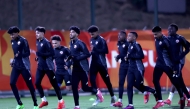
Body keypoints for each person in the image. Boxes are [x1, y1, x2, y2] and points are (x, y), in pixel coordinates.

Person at [151, 26, 189, 109]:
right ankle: (160, 101)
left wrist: (176, 64)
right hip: (159, 64)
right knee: (155, 80)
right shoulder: (156, 39)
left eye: (156, 34)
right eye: (153, 34)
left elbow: (172, 54)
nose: (154, 36)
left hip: (168, 65)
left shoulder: (166, 41)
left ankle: (182, 97)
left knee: (176, 82)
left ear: (160, 32)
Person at [68, 26, 103, 109]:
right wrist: (68, 62)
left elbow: (87, 54)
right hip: (75, 69)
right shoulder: (71, 43)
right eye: (70, 32)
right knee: (74, 87)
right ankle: (77, 106)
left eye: (72, 32)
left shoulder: (80, 43)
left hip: (83, 68)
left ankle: (97, 91)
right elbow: (72, 56)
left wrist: (77, 58)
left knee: (85, 88)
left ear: (77, 34)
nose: (70, 33)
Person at [123, 32, 157, 109]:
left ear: (134, 37)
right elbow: (130, 56)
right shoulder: (130, 45)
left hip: (138, 68)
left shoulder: (136, 45)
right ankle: (130, 105)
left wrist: (130, 56)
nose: (127, 37)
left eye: (130, 36)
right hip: (130, 68)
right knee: (129, 85)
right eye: (127, 36)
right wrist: (126, 58)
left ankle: (153, 91)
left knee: (139, 85)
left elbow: (141, 55)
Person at [8, 26, 38, 109]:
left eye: (13, 34)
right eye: (10, 35)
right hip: (16, 66)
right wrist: (13, 61)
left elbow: (28, 53)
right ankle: (20, 103)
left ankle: (35, 104)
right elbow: (15, 55)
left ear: (17, 33)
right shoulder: (12, 41)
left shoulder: (23, 40)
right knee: (12, 83)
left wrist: (20, 55)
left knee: (29, 85)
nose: (12, 36)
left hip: (24, 66)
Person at [34, 26, 64, 109]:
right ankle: (44, 100)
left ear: (43, 33)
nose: (36, 34)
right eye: (36, 33)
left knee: (54, 84)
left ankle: (61, 101)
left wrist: (41, 55)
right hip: (40, 66)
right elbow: (40, 53)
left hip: (48, 67)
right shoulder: (37, 41)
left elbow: (52, 53)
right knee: (37, 83)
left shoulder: (46, 42)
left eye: (38, 33)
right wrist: (38, 58)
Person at [88, 25, 117, 106]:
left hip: (101, 63)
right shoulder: (91, 40)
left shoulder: (101, 40)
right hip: (93, 63)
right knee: (92, 80)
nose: (91, 35)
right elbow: (92, 50)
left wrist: (95, 49)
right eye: (90, 34)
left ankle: (112, 96)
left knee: (107, 81)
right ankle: (98, 96)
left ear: (97, 32)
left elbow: (106, 51)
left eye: (93, 33)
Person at [163, 24, 190, 107]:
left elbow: (188, 47)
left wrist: (180, 56)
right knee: (178, 80)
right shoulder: (166, 39)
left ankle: (170, 99)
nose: (169, 30)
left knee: (175, 79)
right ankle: (187, 95)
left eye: (171, 29)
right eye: (168, 29)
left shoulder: (180, 38)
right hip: (171, 63)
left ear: (176, 30)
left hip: (179, 62)